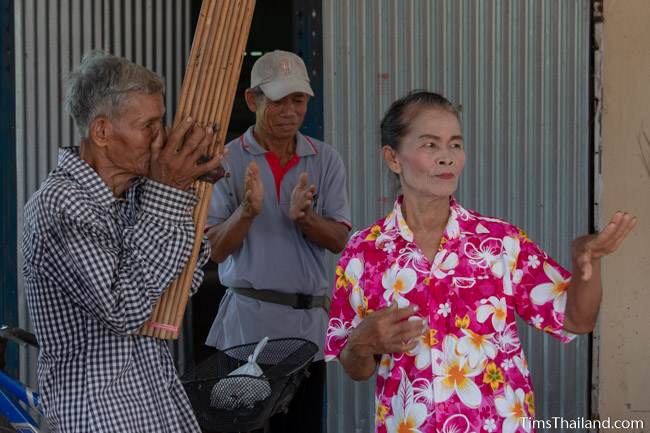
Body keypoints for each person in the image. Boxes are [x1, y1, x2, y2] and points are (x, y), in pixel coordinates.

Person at [325, 91, 637, 433]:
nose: (446, 157)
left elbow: (577, 320)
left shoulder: (500, 243)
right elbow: (356, 367)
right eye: (430, 145)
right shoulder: (364, 253)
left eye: (455, 145)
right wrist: (362, 342)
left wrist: (585, 264)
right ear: (393, 158)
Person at [22, 51, 226, 433]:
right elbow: (124, 309)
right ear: (101, 132)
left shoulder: (133, 194)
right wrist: (168, 193)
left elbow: (184, 282)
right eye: (148, 125)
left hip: (155, 406)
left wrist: (185, 191)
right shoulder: (59, 203)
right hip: (98, 417)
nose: (161, 138)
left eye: (161, 122)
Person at [205, 50, 351, 433]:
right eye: (279, 100)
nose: (290, 111)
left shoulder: (325, 159)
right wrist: (247, 212)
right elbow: (215, 249)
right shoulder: (226, 160)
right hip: (245, 331)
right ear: (253, 100)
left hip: (307, 333)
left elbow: (339, 240)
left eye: (298, 100)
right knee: (243, 428)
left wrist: (306, 219)